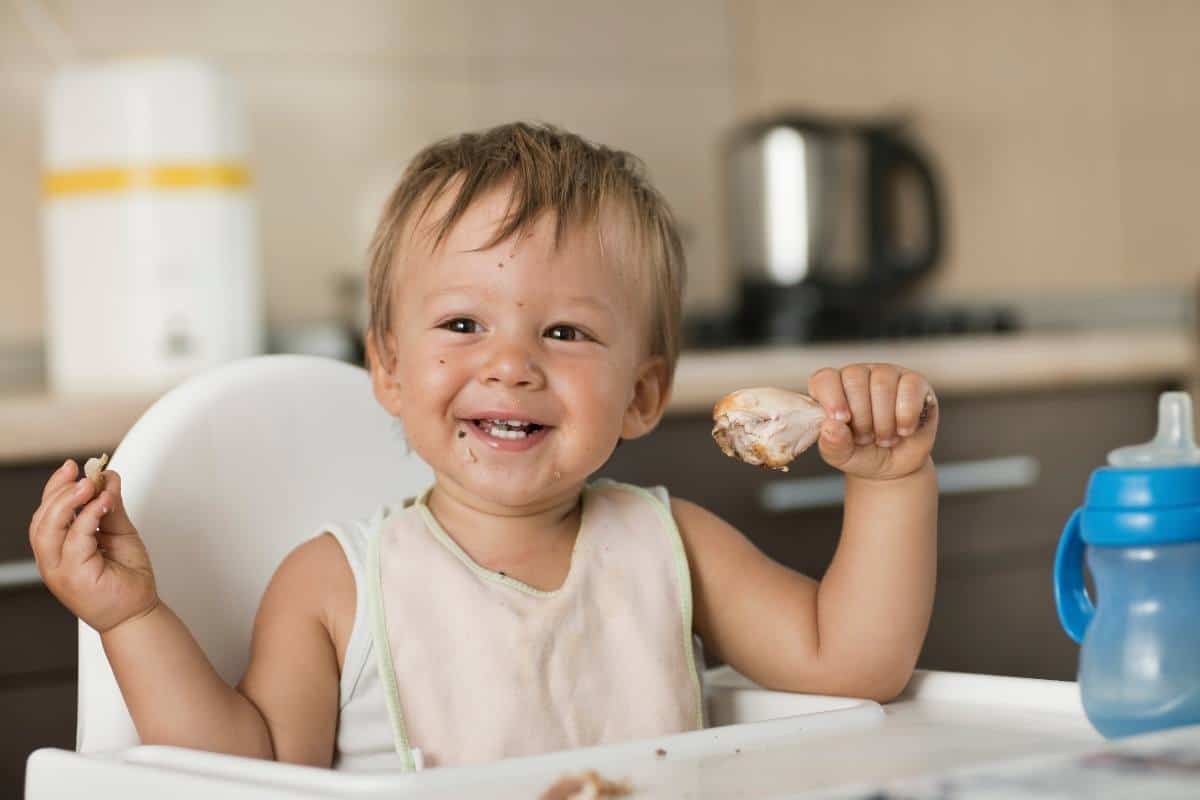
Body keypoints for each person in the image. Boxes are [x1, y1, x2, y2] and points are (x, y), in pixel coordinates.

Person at [28, 122, 938, 771]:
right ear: (387, 367)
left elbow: (853, 663)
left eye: (567, 333)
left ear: (643, 393)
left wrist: (891, 483)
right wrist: (132, 620)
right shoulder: (336, 585)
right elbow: (254, 774)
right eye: (464, 322)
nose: (509, 366)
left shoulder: (673, 546)